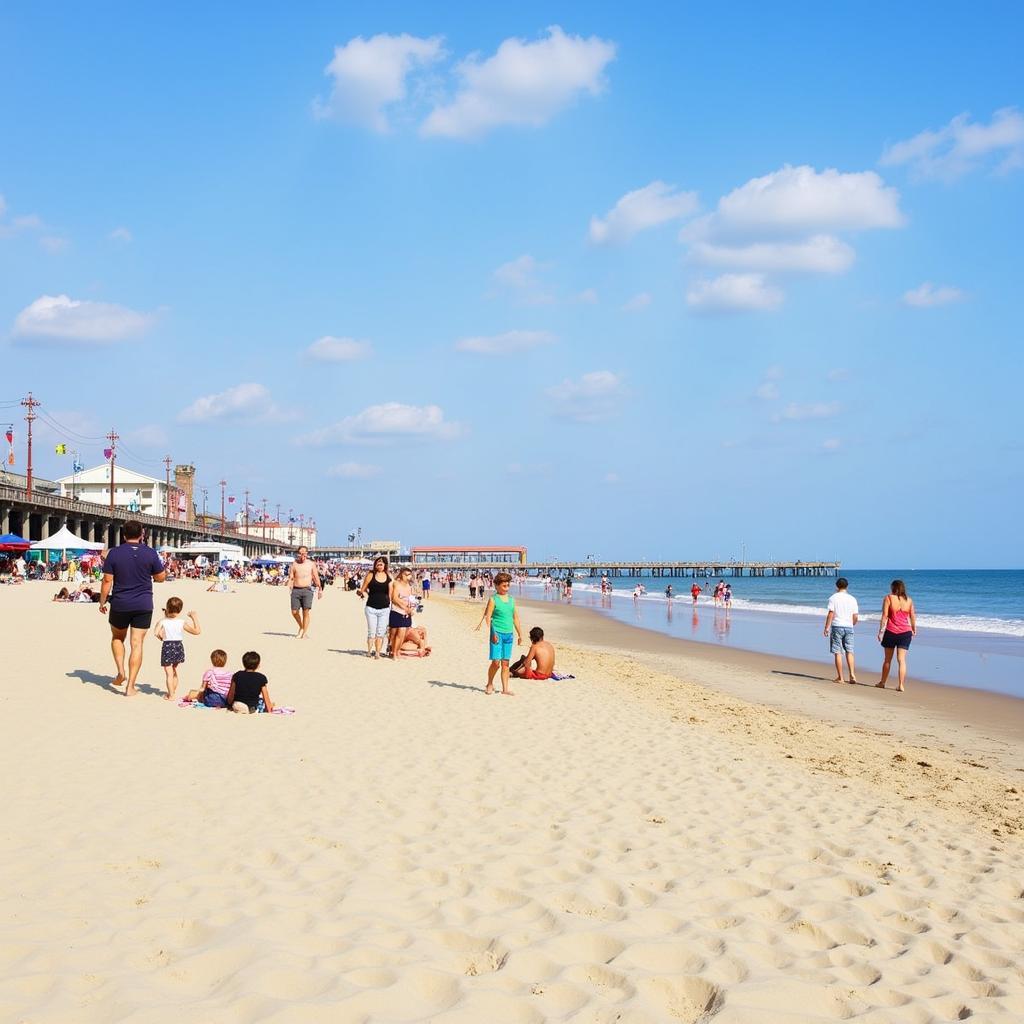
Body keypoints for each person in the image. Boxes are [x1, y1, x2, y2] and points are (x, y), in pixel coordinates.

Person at [99, 520, 167, 697]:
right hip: (143, 604)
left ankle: (121, 671)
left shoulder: (114, 554)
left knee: (117, 637)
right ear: (142, 534)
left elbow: (107, 580)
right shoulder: (150, 553)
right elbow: (160, 577)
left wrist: (102, 601)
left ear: (123, 535)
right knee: (137, 644)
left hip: (120, 603)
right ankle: (130, 686)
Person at [474, 571, 523, 695]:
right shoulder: (493, 600)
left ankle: (505, 689)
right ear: (496, 586)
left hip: (509, 634)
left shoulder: (512, 600)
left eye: (508, 585)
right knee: (496, 663)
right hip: (497, 634)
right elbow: (488, 617)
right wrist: (493, 633)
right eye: (504, 586)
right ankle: (489, 683)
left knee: (505, 663)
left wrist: (520, 634)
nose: (506, 588)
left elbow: (515, 618)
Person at [154, 597, 201, 700]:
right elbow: (197, 631)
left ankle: (171, 695)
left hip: (167, 646)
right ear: (180, 610)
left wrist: (161, 637)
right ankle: (173, 691)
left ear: (167, 608)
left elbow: (156, 633)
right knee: (174, 670)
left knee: (169, 673)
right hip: (178, 646)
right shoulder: (181, 622)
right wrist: (194, 617)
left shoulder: (163, 621)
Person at [876, 579, 916, 692]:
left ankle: (882, 682)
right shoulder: (909, 600)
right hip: (906, 632)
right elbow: (912, 616)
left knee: (887, 659)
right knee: (901, 660)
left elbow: (884, 616)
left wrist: (880, 631)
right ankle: (901, 685)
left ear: (893, 588)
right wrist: (914, 629)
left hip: (891, 631)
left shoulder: (888, 598)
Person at [823, 576, 859, 684]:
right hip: (849, 626)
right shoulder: (852, 599)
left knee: (837, 652)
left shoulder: (833, 598)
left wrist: (826, 627)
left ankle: (840, 677)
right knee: (850, 651)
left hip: (837, 626)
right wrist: (852, 624)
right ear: (847, 586)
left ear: (836, 586)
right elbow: (856, 616)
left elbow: (831, 614)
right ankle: (852, 674)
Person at [356, 556, 392, 659]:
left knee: (380, 632)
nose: (379, 565)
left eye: (381, 563)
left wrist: (391, 604)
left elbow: (390, 592)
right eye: (378, 563)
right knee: (371, 631)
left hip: (384, 608)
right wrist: (361, 593)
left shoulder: (388, 576)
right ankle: (368, 651)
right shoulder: (371, 574)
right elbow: (363, 588)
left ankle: (377, 653)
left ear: (385, 565)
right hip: (371, 607)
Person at [287, 546, 322, 639]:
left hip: (307, 590)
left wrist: (320, 589)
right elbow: (291, 576)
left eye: (304, 553)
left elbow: (315, 577)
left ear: (307, 554)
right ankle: (301, 627)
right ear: (298, 554)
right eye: (300, 553)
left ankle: (304, 632)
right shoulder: (294, 564)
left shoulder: (311, 564)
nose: (302, 555)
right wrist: (290, 583)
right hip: (296, 589)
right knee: (294, 612)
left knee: (305, 612)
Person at [387, 566, 417, 657]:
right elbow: (394, 598)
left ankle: (396, 652)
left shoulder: (409, 586)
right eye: (406, 574)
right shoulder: (396, 584)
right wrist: (404, 607)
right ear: (401, 574)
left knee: (402, 633)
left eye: (409, 575)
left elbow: (411, 600)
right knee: (393, 633)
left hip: (406, 612)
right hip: (396, 611)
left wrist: (411, 608)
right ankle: (391, 650)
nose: (408, 576)